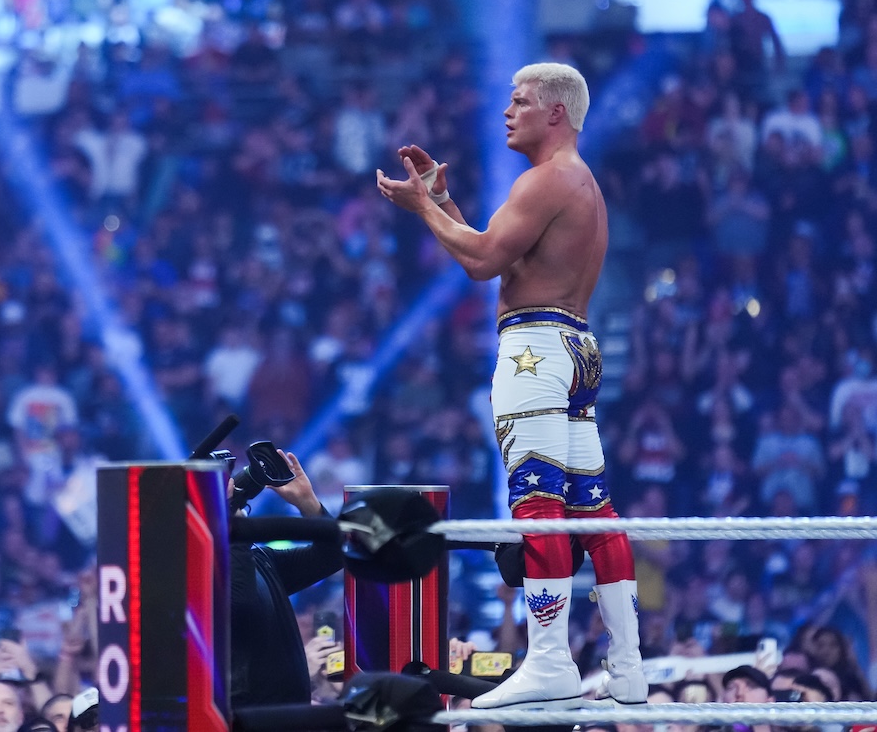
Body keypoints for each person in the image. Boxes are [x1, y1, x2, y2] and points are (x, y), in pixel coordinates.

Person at [376, 62, 643, 709]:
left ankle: (549, 659)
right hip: (575, 348)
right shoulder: (579, 182)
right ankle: (628, 666)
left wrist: (420, 208)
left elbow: (482, 261)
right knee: (592, 510)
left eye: (520, 101)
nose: (507, 111)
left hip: (536, 350)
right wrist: (443, 202)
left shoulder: (547, 178)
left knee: (537, 504)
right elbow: (500, 249)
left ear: (556, 112)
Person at [230, 449, 344, 707]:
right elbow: (242, 604)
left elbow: (333, 556)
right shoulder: (197, 575)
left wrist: (308, 503)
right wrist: (233, 530)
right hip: (246, 717)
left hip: (289, 714)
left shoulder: (260, 560)